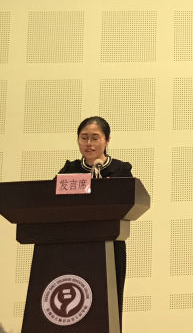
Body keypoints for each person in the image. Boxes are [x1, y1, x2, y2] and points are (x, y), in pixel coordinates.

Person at [58, 116, 132, 325]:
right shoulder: (69, 171)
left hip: (110, 244)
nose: (89, 143)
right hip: (74, 245)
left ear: (107, 140)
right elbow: (51, 201)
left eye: (95, 138)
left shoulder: (120, 170)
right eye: (84, 138)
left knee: (109, 302)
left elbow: (130, 201)